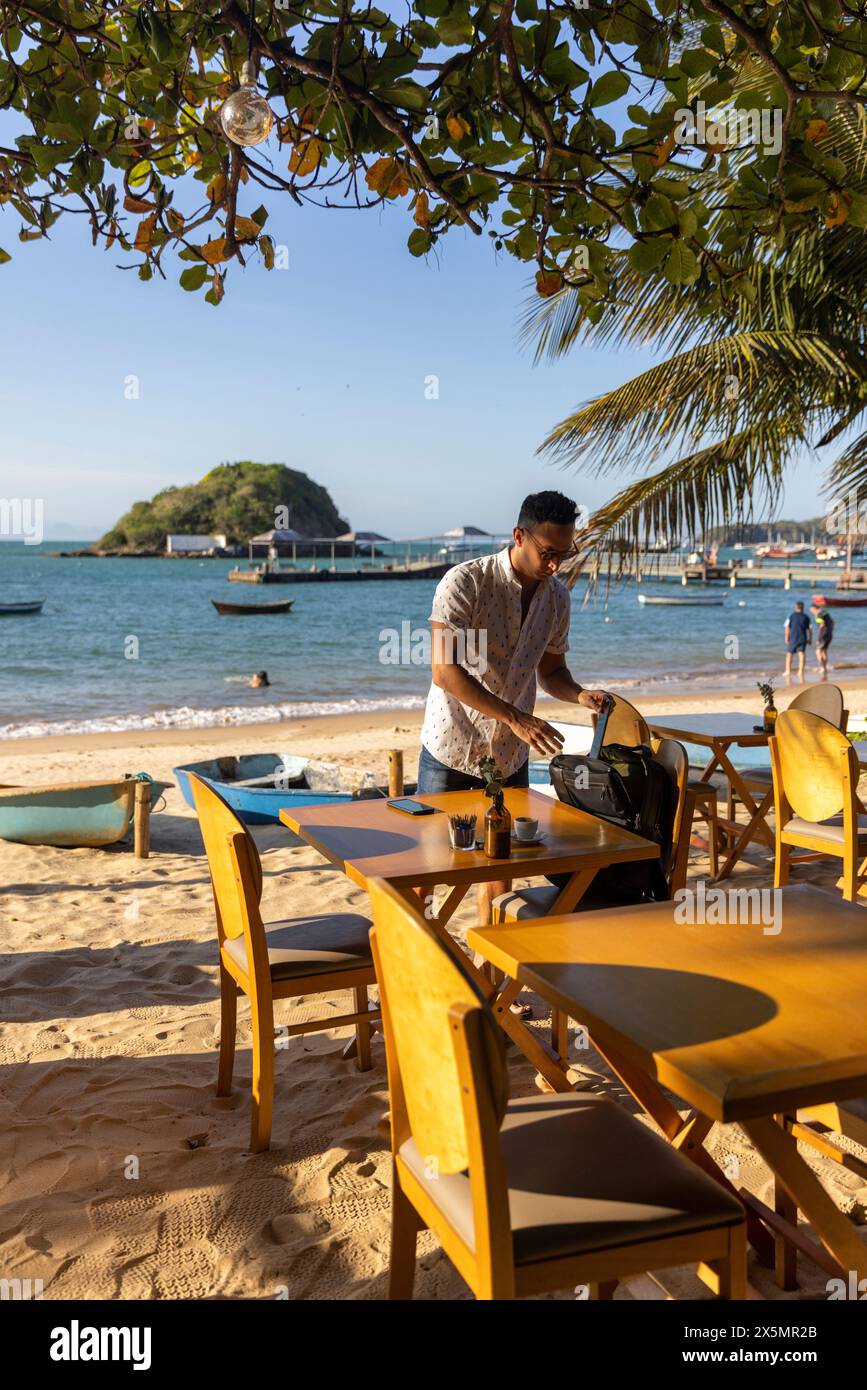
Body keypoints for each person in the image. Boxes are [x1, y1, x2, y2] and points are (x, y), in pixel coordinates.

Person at [418, 490, 608, 1012]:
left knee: (499, 871)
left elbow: (551, 673)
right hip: (450, 748)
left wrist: (579, 694)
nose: (554, 564)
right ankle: (420, 979)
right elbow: (444, 671)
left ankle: (487, 985)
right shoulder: (465, 583)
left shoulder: (557, 598)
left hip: (509, 758)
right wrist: (516, 716)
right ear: (519, 536)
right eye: (547, 551)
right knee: (426, 875)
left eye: (563, 554)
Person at [784, 601, 811, 683]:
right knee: (801, 654)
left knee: (789, 654)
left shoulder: (791, 616)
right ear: (803, 608)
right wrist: (810, 639)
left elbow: (787, 627)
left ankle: (788, 671)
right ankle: (800, 671)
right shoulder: (806, 617)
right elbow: (809, 629)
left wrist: (786, 637)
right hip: (803, 638)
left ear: (796, 607)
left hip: (793, 638)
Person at [815, 608, 834, 680]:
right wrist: (830, 631)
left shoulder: (819, 615)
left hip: (824, 636)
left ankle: (822, 668)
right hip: (829, 635)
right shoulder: (826, 614)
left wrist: (819, 638)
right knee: (824, 652)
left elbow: (822, 626)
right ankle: (824, 668)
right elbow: (832, 622)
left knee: (818, 652)